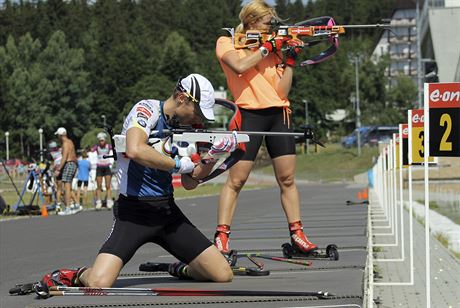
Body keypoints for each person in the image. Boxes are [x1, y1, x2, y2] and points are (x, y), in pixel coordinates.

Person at [35, 74, 238, 296]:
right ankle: (73, 275)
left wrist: (212, 156)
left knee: (222, 273)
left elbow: (190, 182)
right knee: (99, 282)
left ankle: (180, 268)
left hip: (167, 213)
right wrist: (178, 164)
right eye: (197, 112)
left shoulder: (185, 128)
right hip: (134, 213)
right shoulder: (147, 109)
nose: (197, 118)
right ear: (182, 98)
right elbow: (135, 149)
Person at [214, 0, 318, 255]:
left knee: (287, 179)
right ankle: (222, 236)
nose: (272, 28)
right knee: (237, 180)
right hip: (248, 114)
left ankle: (298, 234)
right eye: (268, 23)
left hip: (278, 113)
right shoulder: (227, 41)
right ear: (251, 22)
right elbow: (238, 66)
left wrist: (289, 61)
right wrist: (266, 47)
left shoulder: (274, 47)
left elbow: (281, 91)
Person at [54, 127, 79, 216]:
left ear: (60, 135)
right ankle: (73, 205)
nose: (57, 137)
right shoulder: (70, 142)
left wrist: (59, 169)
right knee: (68, 186)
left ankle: (68, 207)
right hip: (73, 164)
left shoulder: (65, 143)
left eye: (58, 136)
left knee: (66, 187)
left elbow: (64, 157)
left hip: (69, 164)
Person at [91, 132, 114, 210]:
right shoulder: (96, 147)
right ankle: (98, 202)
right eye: (100, 141)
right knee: (99, 186)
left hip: (107, 167)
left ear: (105, 140)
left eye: (103, 140)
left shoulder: (108, 146)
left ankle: (109, 201)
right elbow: (90, 150)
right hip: (99, 167)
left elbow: (114, 149)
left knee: (108, 185)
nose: (101, 142)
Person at [48, 141, 63, 210]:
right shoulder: (60, 150)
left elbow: (53, 164)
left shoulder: (52, 153)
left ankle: (58, 203)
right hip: (62, 167)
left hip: (57, 169)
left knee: (58, 188)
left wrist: (52, 169)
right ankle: (68, 202)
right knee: (64, 187)